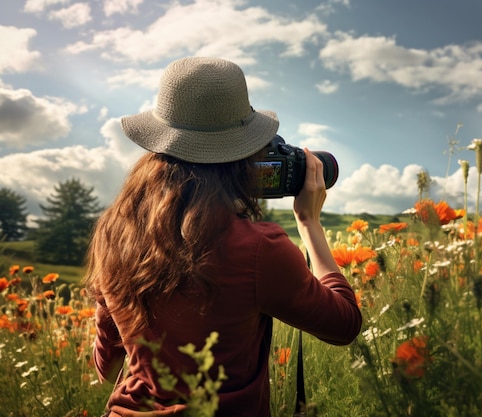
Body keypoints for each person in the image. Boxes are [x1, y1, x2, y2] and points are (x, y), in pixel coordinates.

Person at [84, 57, 362, 417]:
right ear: (245, 153)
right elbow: (344, 325)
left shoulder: (114, 233)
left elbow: (105, 368)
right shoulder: (260, 248)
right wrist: (309, 222)